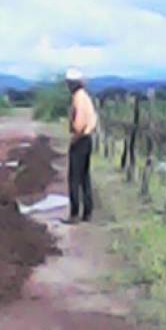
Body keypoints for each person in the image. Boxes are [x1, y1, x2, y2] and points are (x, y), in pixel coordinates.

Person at [64, 68, 98, 223]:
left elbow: (79, 123)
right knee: (84, 177)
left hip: (80, 138)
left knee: (74, 178)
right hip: (87, 138)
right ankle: (88, 212)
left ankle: (74, 213)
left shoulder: (78, 98)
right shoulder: (85, 97)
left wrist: (74, 137)